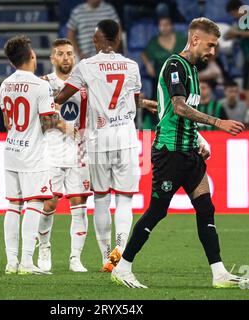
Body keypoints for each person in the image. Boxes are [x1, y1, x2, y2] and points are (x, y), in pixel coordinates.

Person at [111, 17, 249, 289]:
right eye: (211, 45)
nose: (213, 52)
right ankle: (123, 267)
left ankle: (219, 272)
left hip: (190, 151)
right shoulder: (175, 65)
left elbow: (174, 107)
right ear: (195, 39)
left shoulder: (192, 70)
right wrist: (217, 123)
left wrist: (198, 137)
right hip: (170, 152)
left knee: (205, 208)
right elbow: (179, 107)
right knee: (157, 211)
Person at [55, 19, 156, 273]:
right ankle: (119, 255)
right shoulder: (132, 66)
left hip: (98, 138)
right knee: (124, 199)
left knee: (101, 198)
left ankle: (104, 257)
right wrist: (145, 104)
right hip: (126, 137)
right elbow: (133, 100)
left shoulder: (86, 66)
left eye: (94, 38)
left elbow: (61, 97)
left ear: (98, 40)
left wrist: (51, 101)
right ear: (118, 39)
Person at [0, 35, 66, 275]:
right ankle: (27, 262)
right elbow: (48, 123)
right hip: (33, 153)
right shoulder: (40, 85)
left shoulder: (5, 84)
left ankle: (11, 262)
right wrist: (57, 115)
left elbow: (8, 122)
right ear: (31, 56)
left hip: (10, 150)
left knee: (13, 205)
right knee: (35, 202)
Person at [36, 38, 93, 273]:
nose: (66, 58)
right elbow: (40, 119)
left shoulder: (85, 84)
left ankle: (75, 258)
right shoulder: (43, 84)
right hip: (50, 151)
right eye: (60, 54)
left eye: (69, 53)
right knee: (49, 203)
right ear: (52, 58)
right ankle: (44, 248)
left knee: (79, 203)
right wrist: (64, 127)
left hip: (79, 151)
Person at [141, 16, 187, 129]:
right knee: (156, 104)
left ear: (171, 26)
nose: (164, 28)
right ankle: (155, 126)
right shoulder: (154, 42)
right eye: (161, 25)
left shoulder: (181, 39)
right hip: (160, 80)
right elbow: (143, 54)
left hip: (181, 79)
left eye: (166, 25)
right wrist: (148, 64)